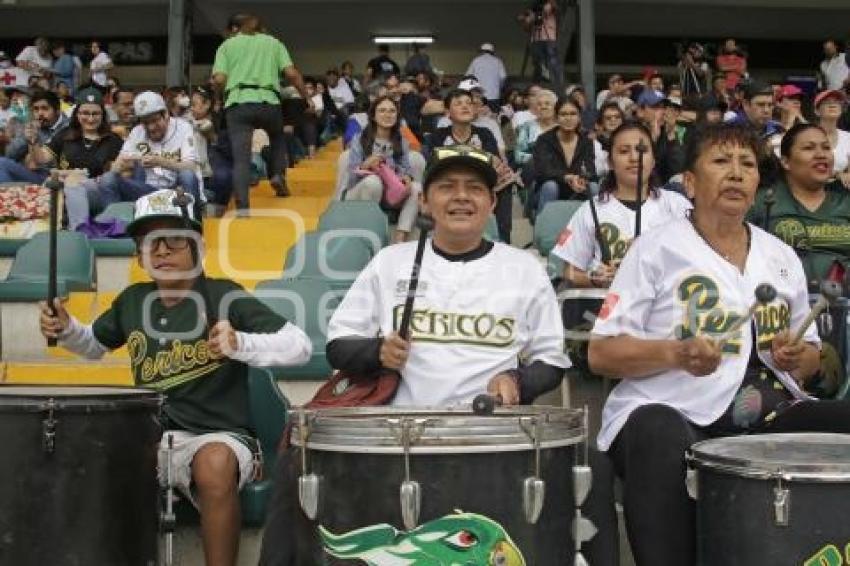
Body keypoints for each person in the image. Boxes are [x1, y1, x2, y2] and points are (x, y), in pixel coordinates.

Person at [258, 145, 570, 565]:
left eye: (474, 188)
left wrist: (517, 381)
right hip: (394, 434)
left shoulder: (524, 268)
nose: (461, 196)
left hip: (488, 437)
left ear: (493, 202)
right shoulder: (391, 262)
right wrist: (378, 352)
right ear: (424, 201)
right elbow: (339, 343)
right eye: (446, 187)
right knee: (297, 459)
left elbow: (552, 360)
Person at [587, 122, 850, 566]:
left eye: (747, 164)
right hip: (675, 409)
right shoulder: (654, 249)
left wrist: (800, 357)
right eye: (721, 161)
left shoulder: (779, 255)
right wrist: (675, 352)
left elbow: (812, 362)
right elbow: (601, 353)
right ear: (689, 182)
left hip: (770, 413)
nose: (736, 173)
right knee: (656, 430)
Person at [40, 189, 312, 566]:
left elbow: (299, 346)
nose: (162, 251)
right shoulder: (132, 300)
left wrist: (240, 342)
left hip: (219, 433)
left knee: (213, 463)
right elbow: (92, 345)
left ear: (198, 247)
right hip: (153, 434)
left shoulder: (223, 295)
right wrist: (67, 326)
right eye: (150, 243)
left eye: (173, 240)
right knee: (98, 456)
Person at [551, 121, 692, 288]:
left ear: (653, 160)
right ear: (610, 162)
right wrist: (594, 278)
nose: (633, 158)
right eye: (624, 151)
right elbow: (569, 272)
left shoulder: (677, 205)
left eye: (642, 150)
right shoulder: (590, 210)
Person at [211, 12, 311, 210]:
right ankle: (278, 175)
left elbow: (220, 79)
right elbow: (291, 73)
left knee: (241, 157)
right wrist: (306, 97)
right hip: (269, 102)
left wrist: (218, 98)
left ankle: (242, 203)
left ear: (234, 29)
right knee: (277, 137)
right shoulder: (273, 43)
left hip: (238, 103)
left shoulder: (227, 46)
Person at [749, 123, 850, 289]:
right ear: (786, 162)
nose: (821, 154)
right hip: (779, 304)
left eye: (826, 147)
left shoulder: (845, 200)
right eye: (809, 148)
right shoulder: (761, 202)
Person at [423, 88, 516, 243]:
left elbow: (495, 162)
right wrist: (475, 154)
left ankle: (504, 240)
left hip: (481, 181)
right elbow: (434, 164)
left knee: (506, 183)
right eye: (458, 103)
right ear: (447, 112)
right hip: (450, 181)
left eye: (469, 103)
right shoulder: (438, 135)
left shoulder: (485, 133)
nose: (465, 106)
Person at [25, 88, 123, 230]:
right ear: (77, 114)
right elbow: (41, 159)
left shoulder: (113, 140)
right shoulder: (65, 134)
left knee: (74, 183)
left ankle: (79, 232)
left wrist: (79, 177)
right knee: (62, 183)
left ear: (103, 116)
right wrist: (33, 142)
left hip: (95, 192)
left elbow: (114, 177)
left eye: (95, 113)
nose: (90, 118)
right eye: (85, 113)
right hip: (63, 190)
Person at [99, 91, 202, 217]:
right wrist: (122, 164)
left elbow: (191, 167)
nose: (151, 127)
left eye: (154, 121)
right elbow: (116, 167)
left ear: (166, 114)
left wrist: (160, 162)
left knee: (187, 175)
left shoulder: (183, 127)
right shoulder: (137, 132)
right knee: (108, 179)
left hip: (177, 190)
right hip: (148, 191)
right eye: (145, 122)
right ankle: (115, 229)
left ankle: (192, 224)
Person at [344, 95, 421, 244]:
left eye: (392, 111)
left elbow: (406, 169)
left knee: (417, 187)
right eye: (382, 111)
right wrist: (365, 165)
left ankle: (400, 236)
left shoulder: (401, 141)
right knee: (373, 182)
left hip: (390, 192)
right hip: (361, 192)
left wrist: (407, 178)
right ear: (373, 116)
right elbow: (351, 179)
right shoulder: (359, 139)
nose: (388, 114)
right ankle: (371, 235)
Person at [532, 96, 605, 217]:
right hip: (550, 190)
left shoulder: (586, 141)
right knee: (551, 186)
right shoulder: (544, 140)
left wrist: (581, 179)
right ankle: (543, 230)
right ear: (556, 117)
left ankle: (600, 227)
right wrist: (567, 177)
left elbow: (590, 170)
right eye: (563, 114)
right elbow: (543, 171)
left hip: (577, 188)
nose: (568, 118)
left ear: (579, 117)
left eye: (573, 114)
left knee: (593, 187)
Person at [0, 89, 69, 183]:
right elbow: (10, 154)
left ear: (57, 111)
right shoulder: (32, 125)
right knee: (2, 163)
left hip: (58, 176)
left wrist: (31, 155)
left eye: (45, 108)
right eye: (36, 109)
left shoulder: (69, 127)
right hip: (34, 174)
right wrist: (26, 137)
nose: (40, 113)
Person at [518, 0, 562, 95]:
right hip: (536, 38)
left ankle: (556, 82)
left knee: (552, 60)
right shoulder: (533, 8)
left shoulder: (551, 4)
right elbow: (526, 25)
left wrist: (541, 11)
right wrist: (528, 18)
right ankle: (539, 81)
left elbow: (551, 9)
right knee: (537, 62)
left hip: (549, 37)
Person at [813, 89, 850, 183]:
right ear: (817, 111)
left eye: (837, 102)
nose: (832, 105)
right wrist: (837, 174)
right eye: (826, 102)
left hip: (840, 193)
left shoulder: (848, 137)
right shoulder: (805, 135)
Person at [465, 43, 506, 109]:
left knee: (478, 117)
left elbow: (467, 76)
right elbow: (503, 77)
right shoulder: (498, 61)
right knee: (493, 116)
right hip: (494, 96)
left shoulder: (476, 61)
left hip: (478, 97)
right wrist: (499, 88)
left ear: (481, 51)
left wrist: (471, 91)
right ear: (492, 52)